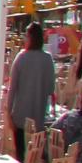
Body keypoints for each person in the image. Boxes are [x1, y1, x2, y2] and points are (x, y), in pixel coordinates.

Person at [9, 22, 56, 155]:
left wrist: (8, 114)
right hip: (38, 117)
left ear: (29, 38)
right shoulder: (47, 59)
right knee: (35, 158)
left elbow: (12, 89)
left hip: (20, 117)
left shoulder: (21, 58)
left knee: (20, 155)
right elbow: (50, 89)